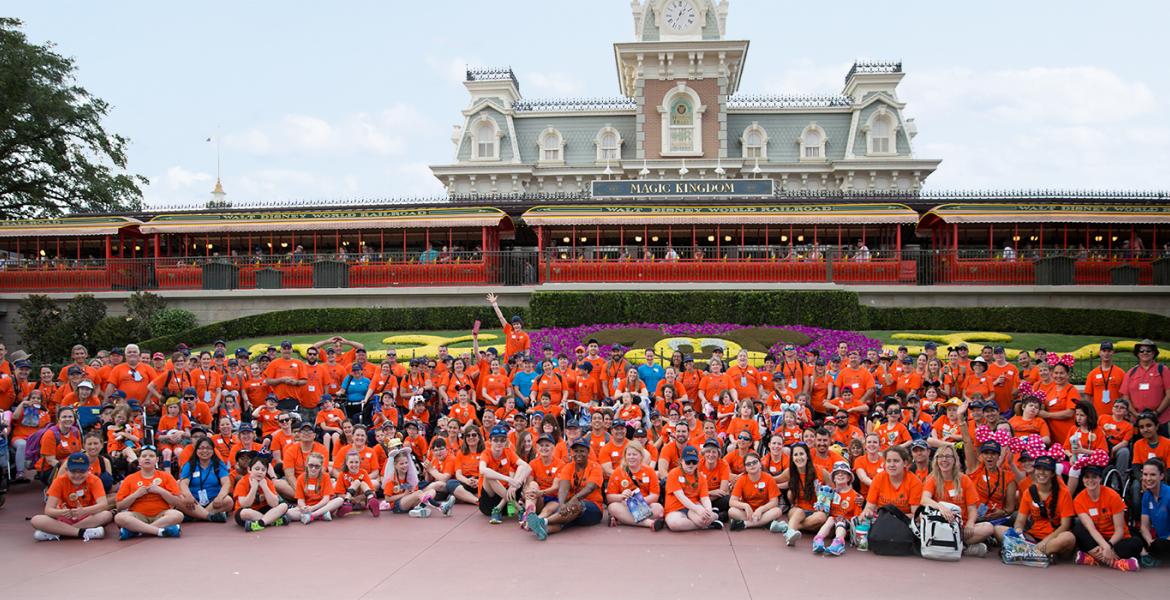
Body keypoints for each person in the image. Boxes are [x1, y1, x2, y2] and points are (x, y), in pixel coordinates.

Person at [920, 444, 995, 556]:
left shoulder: (964, 479)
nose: (944, 460)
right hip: (940, 525)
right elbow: (924, 500)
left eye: (948, 456)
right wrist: (941, 507)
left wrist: (970, 524)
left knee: (988, 528)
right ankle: (963, 548)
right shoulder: (932, 478)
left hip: (960, 527)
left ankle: (957, 546)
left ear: (955, 460)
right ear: (936, 460)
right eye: (940, 457)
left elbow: (972, 509)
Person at [996, 456, 1075, 560]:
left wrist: (1045, 541)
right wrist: (1018, 531)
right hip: (1032, 537)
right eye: (1038, 469)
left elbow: (1065, 526)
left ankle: (1024, 552)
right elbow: (1020, 520)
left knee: (1069, 538)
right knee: (998, 529)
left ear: (1052, 473)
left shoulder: (1064, 493)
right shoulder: (1028, 492)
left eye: (1046, 469)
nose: (1041, 473)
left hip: (1053, 538)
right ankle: (1039, 554)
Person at [526, 438, 604, 540]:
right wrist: (562, 503)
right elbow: (563, 487)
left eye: (582, 451)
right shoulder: (568, 467)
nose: (578, 454)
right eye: (576, 451)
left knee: (576, 505)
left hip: (592, 508)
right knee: (562, 521)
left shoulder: (595, 467)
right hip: (570, 509)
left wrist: (571, 501)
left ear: (588, 452)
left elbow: (589, 488)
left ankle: (543, 521)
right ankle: (542, 530)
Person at [1072, 464, 1142, 571]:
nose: (1090, 480)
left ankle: (1093, 558)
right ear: (1082, 479)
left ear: (1100, 478)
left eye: (1094, 477)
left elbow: (1119, 530)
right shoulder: (1078, 500)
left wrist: (1109, 546)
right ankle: (1115, 563)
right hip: (1097, 539)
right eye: (1087, 477)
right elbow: (1091, 529)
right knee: (1077, 528)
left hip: (1115, 540)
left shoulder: (1113, 496)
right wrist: (1105, 547)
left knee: (1136, 543)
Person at [30, 453, 113, 541]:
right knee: (36, 520)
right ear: (66, 470)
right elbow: (48, 510)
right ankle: (82, 533)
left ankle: (58, 533)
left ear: (88, 470)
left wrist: (84, 511)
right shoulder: (59, 481)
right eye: (73, 471)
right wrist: (62, 512)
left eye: (82, 471)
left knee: (106, 515)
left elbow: (103, 505)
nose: (77, 475)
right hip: (64, 518)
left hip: (87, 518)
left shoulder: (95, 480)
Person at [113, 446, 184, 540]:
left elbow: (178, 502)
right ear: (139, 460)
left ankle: (137, 531)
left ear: (157, 460)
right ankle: (159, 531)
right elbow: (119, 506)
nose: (147, 458)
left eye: (151, 456)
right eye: (144, 456)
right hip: (137, 516)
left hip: (161, 515)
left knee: (178, 515)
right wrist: (135, 495)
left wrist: (160, 491)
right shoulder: (129, 479)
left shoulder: (166, 476)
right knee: (119, 517)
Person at [772, 442, 826, 545]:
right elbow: (773, 480)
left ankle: (788, 527)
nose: (799, 457)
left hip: (815, 510)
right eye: (795, 455)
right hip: (797, 509)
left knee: (821, 517)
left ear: (807, 455)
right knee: (799, 512)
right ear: (792, 458)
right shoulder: (790, 471)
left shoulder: (819, 471)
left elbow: (834, 486)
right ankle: (790, 537)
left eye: (801, 454)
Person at [479, 424, 531, 523]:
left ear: (506, 441)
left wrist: (514, 485)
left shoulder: (508, 452)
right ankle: (519, 508)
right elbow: (482, 470)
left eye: (502, 440)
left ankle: (498, 509)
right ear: (490, 441)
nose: (499, 443)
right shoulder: (486, 453)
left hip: (507, 498)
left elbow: (527, 467)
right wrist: (508, 479)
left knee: (521, 470)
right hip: (489, 502)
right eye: (496, 440)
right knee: (489, 476)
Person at [810, 461, 863, 556]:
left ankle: (839, 543)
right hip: (831, 525)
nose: (840, 475)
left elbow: (857, 517)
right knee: (831, 518)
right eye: (837, 473)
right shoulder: (830, 493)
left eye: (843, 473)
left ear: (849, 478)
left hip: (846, 527)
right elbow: (825, 509)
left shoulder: (855, 496)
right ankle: (818, 539)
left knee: (840, 519)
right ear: (833, 478)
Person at [605, 442, 663, 528]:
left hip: (645, 504)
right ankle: (649, 523)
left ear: (641, 456)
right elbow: (609, 497)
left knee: (658, 509)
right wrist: (621, 496)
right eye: (629, 454)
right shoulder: (618, 472)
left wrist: (639, 502)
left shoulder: (649, 471)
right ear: (625, 456)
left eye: (634, 454)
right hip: (625, 505)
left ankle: (623, 519)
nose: (631, 457)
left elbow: (655, 495)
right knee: (612, 507)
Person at [178, 437, 232, 522]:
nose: (205, 451)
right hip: (193, 502)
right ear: (196, 450)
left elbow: (226, 483)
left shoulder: (218, 464)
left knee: (228, 501)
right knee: (179, 499)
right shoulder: (190, 465)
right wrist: (188, 496)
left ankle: (196, 516)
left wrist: (220, 497)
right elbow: (183, 483)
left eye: (208, 448)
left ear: (213, 450)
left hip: (213, 502)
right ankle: (209, 516)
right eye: (201, 448)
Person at [727, 451, 781, 531]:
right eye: (748, 464)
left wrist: (761, 509)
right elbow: (732, 502)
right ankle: (764, 523)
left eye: (755, 462)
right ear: (745, 468)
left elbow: (774, 502)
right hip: (748, 513)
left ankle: (745, 524)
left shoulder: (769, 478)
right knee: (731, 511)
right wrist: (745, 506)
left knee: (777, 511)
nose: (752, 465)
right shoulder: (742, 479)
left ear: (760, 463)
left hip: (764, 512)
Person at [233, 456, 290, 532]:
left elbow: (274, 504)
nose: (260, 472)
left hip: (264, 509)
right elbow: (245, 504)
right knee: (245, 513)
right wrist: (253, 488)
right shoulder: (242, 482)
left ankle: (260, 523)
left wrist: (265, 487)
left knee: (284, 506)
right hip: (248, 511)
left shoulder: (267, 482)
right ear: (249, 470)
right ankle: (271, 521)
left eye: (263, 470)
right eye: (257, 469)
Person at [289, 452, 345, 524]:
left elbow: (326, 499)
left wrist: (313, 509)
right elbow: (300, 500)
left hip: (323, 506)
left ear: (321, 466)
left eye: (317, 466)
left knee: (339, 500)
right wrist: (304, 507)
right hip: (308, 507)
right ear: (306, 464)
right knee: (289, 513)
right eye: (311, 465)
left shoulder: (325, 476)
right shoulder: (301, 478)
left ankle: (313, 516)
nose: (313, 468)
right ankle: (321, 515)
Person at [1138, 458, 1170, 567]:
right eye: (1145, 474)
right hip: (1157, 541)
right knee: (1131, 535)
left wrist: (1159, 544)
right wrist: (1151, 543)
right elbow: (1144, 526)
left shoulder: (1169, 494)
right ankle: (1152, 555)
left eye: (1152, 475)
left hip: (1166, 541)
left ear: (1161, 476)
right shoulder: (1147, 495)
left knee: (1160, 545)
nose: (1148, 478)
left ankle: (1151, 557)